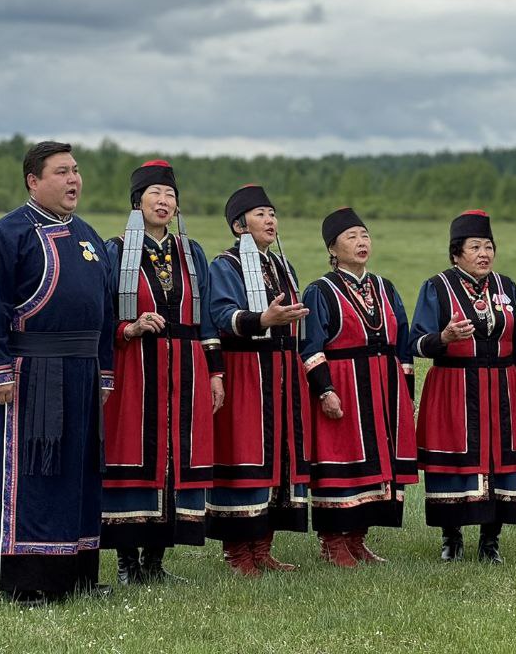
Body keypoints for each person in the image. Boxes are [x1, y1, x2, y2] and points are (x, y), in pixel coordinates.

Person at [0, 140, 116, 604]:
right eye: (61, 172)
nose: (74, 179)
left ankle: (76, 575)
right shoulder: (8, 234)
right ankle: (25, 580)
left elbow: (108, 314)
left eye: (76, 170)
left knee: (78, 473)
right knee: (35, 472)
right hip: (32, 373)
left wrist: (106, 372)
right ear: (34, 181)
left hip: (84, 372)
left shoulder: (91, 236)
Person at [101, 160, 225, 584]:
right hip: (135, 366)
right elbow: (102, 314)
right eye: (155, 193)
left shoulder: (192, 253)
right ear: (137, 202)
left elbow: (207, 318)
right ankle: (126, 562)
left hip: (186, 368)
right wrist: (129, 328)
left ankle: (155, 562)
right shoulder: (114, 250)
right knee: (132, 452)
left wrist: (216, 373)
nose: (164, 201)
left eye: (170, 195)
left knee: (175, 459)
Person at [410, 210, 516, 563]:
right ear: (456, 254)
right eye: (475, 247)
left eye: (488, 246)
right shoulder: (436, 287)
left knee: (501, 462)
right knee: (454, 462)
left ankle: (491, 542)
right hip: (453, 385)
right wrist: (444, 337)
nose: (484, 253)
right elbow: (416, 342)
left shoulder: (507, 287)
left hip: (502, 385)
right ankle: (450, 538)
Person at [300, 208, 418, 567]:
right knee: (342, 461)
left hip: (384, 386)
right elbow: (310, 345)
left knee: (379, 463)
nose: (361, 242)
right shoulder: (320, 291)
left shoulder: (385, 287)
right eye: (351, 237)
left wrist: (405, 393)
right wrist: (325, 390)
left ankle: (357, 539)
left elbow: (404, 342)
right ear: (333, 249)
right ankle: (333, 542)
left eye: (364, 235)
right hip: (344, 385)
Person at [206, 184, 311, 576]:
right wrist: (263, 320)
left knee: (278, 458)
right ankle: (238, 552)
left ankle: (263, 547)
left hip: (283, 373)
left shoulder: (282, 265)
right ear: (238, 226)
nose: (271, 220)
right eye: (261, 214)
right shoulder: (224, 265)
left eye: (272, 213)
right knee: (244, 454)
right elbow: (221, 314)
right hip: (247, 370)